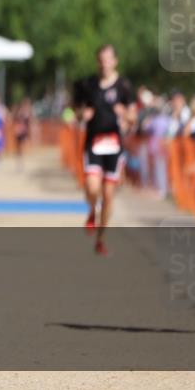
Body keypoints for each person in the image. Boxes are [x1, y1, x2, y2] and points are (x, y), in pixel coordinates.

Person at [72, 44, 136, 257]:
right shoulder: (88, 84)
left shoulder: (124, 86)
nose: (104, 63)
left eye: (108, 59)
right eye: (101, 59)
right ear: (97, 61)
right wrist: (83, 114)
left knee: (108, 195)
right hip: (93, 142)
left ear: (115, 61)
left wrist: (124, 114)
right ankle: (92, 211)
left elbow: (133, 117)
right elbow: (76, 109)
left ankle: (101, 238)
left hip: (114, 145)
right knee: (92, 187)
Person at [12, 97, 33, 171]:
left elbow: (29, 123)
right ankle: (19, 162)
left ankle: (21, 162)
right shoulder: (19, 112)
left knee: (22, 148)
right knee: (19, 148)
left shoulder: (27, 113)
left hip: (24, 132)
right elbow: (14, 120)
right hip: (19, 132)